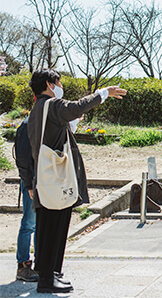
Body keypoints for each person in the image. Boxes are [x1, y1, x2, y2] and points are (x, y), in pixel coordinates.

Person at [27, 70, 126, 294]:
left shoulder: (38, 109)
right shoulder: (52, 105)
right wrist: (104, 93)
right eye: (58, 82)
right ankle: (47, 279)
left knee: (47, 227)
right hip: (54, 181)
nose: (60, 85)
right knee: (54, 226)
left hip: (43, 179)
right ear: (50, 84)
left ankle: (49, 274)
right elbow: (76, 106)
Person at [13, 116, 39, 282]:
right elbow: (22, 157)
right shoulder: (28, 123)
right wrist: (29, 185)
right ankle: (22, 265)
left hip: (42, 180)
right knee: (29, 223)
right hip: (32, 180)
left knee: (40, 224)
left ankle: (40, 263)